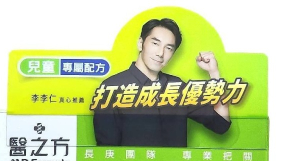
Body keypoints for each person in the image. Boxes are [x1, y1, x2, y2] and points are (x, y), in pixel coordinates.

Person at [92, 18, 231, 147]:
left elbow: (221, 124)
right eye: (155, 43)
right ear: (141, 44)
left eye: (168, 48)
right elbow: (107, 152)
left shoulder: (177, 87)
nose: (160, 53)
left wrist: (214, 73)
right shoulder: (111, 88)